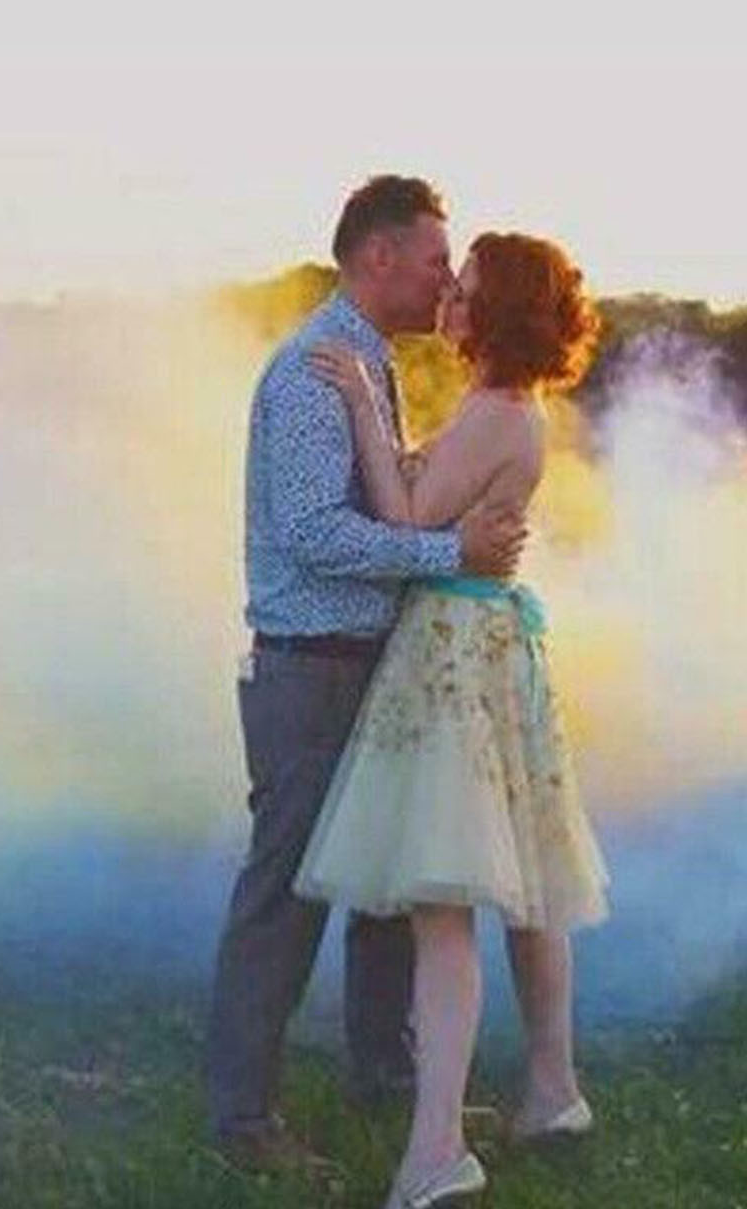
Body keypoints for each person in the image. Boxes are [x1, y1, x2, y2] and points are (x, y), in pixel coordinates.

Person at [206, 176, 528, 1177]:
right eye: (435, 260)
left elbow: (386, 498)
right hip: (312, 671)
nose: (445, 279)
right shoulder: (315, 371)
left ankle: (384, 1073)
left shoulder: (368, 361)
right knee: (288, 890)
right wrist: (450, 554)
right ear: (379, 257)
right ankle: (242, 1118)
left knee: (390, 882)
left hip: (365, 662)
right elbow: (315, 534)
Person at [296, 231, 609, 1208]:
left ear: (500, 312)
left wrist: (360, 405)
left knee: (445, 905)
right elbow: (433, 503)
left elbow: (404, 520)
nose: (451, 300)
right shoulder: (508, 407)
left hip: (455, 656)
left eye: (467, 289)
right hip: (488, 647)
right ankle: (552, 1091)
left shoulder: (495, 412)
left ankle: (436, 1149)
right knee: (527, 884)